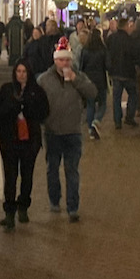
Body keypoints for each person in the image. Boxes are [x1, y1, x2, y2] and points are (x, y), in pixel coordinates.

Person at [37, 47, 96, 222]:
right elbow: (37, 102)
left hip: (73, 131)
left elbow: (92, 93)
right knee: (52, 168)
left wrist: (75, 80)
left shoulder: (79, 76)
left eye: (67, 60)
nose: (64, 63)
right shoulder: (44, 80)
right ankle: (54, 200)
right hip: (52, 131)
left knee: (72, 170)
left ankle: (73, 207)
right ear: (55, 60)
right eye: (61, 60)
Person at [0, 60, 50, 230]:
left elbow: (44, 112)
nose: (21, 75)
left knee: (27, 175)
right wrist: (11, 110)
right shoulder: (6, 90)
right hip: (9, 140)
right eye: (18, 71)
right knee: (10, 177)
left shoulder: (37, 91)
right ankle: (9, 212)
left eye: (24, 71)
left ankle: (23, 205)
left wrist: (29, 110)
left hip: (29, 141)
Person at [107, 18, 140, 129]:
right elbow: (135, 55)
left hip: (115, 72)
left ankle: (117, 121)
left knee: (116, 98)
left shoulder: (111, 38)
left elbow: (108, 54)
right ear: (126, 26)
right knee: (133, 94)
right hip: (128, 72)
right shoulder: (130, 40)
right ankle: (129, 117)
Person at [77, 30, 109, 140]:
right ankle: (97, 120)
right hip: (100, 80)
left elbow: (81, 66)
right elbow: (107, 65)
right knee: (102, 104)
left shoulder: (85, 50)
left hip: (88, 80)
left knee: (90, 105)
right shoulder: (103, 50)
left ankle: (91, 130)